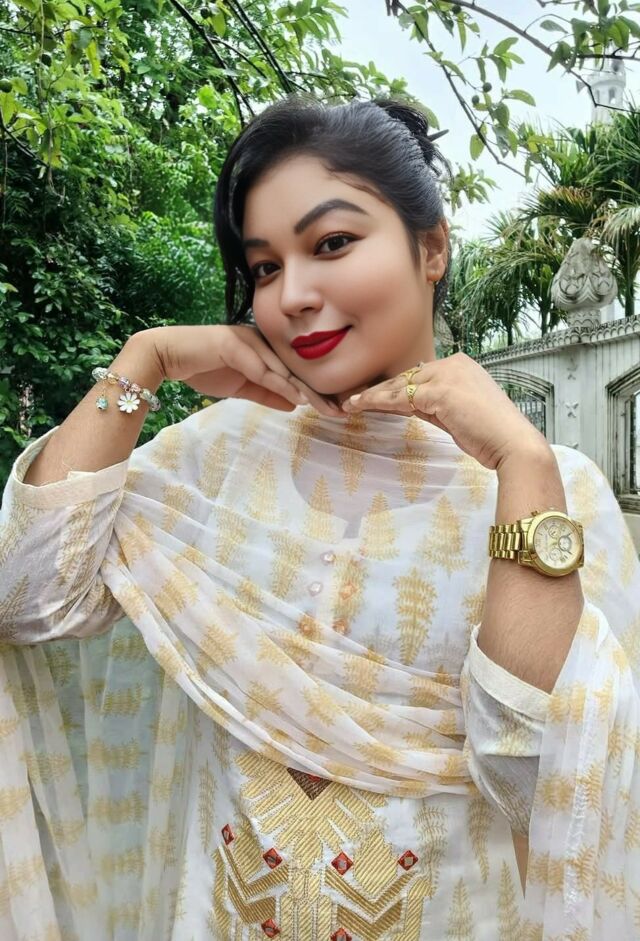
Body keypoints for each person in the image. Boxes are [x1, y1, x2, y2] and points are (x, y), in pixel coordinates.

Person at [0, 95, 638, 941]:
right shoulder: (216, 458)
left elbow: (540, 775)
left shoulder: (551, 489)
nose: (293, 295)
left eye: (332, 243)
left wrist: (522, 462)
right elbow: (28, 595)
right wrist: (145, 361)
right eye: (265, 268)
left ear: (432, 247)